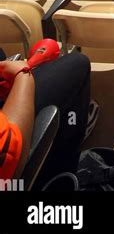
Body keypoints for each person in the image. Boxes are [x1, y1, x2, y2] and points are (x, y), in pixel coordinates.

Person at [0, 52, 95, 187]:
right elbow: (11, 149)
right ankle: (69, 137)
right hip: (10, 177)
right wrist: (22, 74)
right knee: (79, 63)